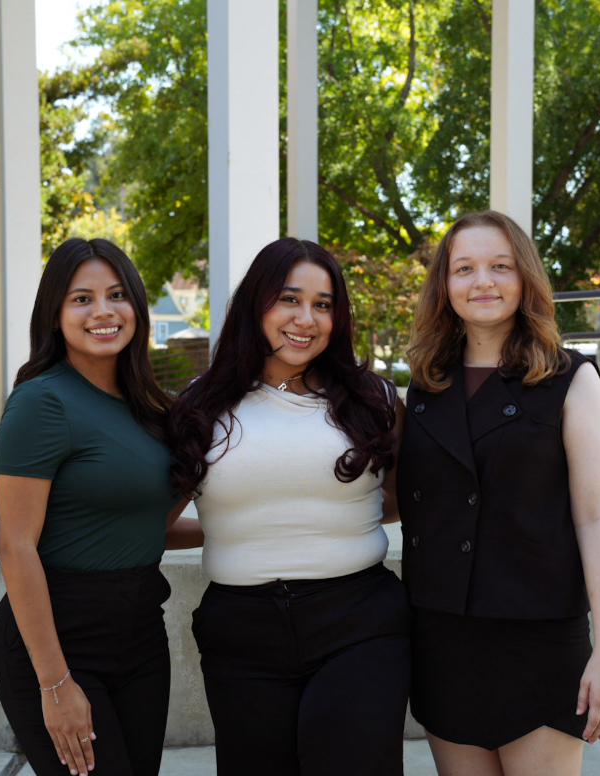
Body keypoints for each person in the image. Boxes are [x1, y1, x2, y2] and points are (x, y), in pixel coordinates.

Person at [167, 237, 409, 776]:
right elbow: (154, 525)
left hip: (359, 623)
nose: (307, 319)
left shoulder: (375, 400)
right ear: (256, 304)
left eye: (323, 304)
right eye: (289, 299)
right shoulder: (200, 405)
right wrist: (233, 531)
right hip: (241, 631)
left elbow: (396, 501)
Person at [398, 210, 600, 776]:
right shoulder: (424, 385)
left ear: (525, 278)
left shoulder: (573, 379)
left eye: (500, 266)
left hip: (539, 636)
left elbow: (596, 518)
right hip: (443, 635)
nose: (483, 282)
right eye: (465, 268)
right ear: (444, 284)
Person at [0, 237, 197, 776]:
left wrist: (239, 531)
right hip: (63, 639)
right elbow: (15, 547)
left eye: (117, 295)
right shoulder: (42, 402)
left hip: (140, 637)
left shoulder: (149, 407)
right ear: (55, 315)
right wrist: (55, 683)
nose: (103, 312)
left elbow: (140, 525)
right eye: (82, 299)